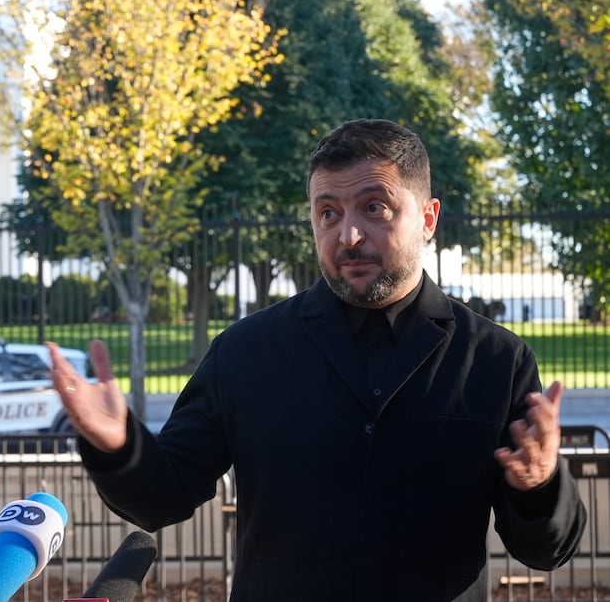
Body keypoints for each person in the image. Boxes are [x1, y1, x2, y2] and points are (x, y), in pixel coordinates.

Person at [46, 118, 587, 601]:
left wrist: (538, 484)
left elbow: (546, 551)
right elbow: (164, 498)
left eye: (374, 208)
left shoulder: (496, 359)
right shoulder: (245, 352)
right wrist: (117, 446)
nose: (347, 235)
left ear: (427, 218)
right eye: (327, 213)